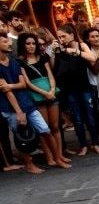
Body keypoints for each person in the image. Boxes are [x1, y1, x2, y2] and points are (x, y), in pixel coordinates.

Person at [0, 34, 59, 173]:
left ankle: (58, 158)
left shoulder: (13, 61)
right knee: (21, 136)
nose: (9, 43)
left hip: (26, 103)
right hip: (10, 107)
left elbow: (21, 84)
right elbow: (6, 91)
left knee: (45, 130)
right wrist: (19, 112)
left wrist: (11, 86)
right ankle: (29, 165)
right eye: (5, 41)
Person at [18, 32, 70, 167]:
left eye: (33, 43)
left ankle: (59, 155)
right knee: (44, 129)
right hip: (37, 94)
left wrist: (52, 90)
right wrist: (44, 93)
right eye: (28, 44)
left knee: (55, 126)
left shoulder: (42, 57)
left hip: (51, 91)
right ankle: (50, 157)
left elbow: (50, 74)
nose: (31, 46)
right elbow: (27, 82)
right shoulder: (20, 61)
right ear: (23, 45)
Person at [53, 25, 99, 156]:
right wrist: (54, 52)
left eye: (63, 36)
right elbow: (55, 69)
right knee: (78, 119)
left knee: (91, 117)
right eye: (59, 37)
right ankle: (83, 145)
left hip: (84, 87)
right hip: (70, 90)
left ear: (72, 35)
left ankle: (95, 143)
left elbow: (92, 58)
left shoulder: (81, 46)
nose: (61, 39)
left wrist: (75, 52)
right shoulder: (59, 50)